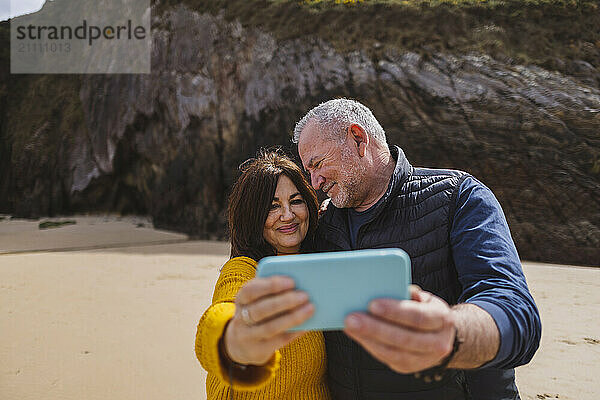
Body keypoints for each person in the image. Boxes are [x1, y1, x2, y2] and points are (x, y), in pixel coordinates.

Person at [293, 98, 541, 400]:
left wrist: (450, 333)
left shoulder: (459, 198)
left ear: (358, 139)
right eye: (308, 171)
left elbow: (516, 312)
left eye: (317, 164)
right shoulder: (322, 224)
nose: (314, 182)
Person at [194, 150, 331, 399]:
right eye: (273, 206)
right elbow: (224, 311)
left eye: (296, 201)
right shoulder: (244, 270)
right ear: (253, 216)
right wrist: (232, 337)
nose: (288, 215)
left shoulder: (320, 265)